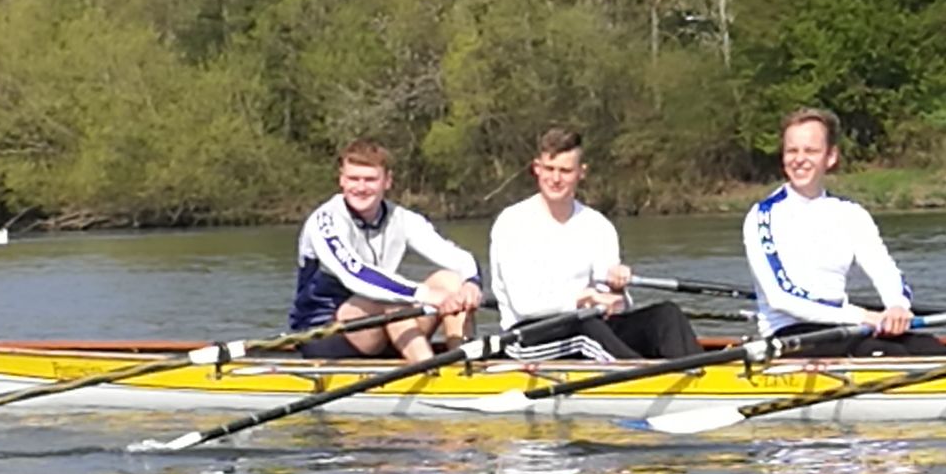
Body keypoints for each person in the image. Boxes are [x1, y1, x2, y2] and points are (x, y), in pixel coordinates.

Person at [744, 108, 946, 358]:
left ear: (830, 157)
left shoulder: (851, 213)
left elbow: (884, 269)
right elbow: (782, 298)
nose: (799, 159)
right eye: (792, 151)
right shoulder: (763, 216)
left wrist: (897, 306)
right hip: (790, 334)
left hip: (843, 326)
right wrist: (862, 316)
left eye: (811, 151)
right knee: (880, 352)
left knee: (930, 347)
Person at [489, 127, 703, 361]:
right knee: (586, 328)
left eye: (565, 171)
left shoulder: (598, 225)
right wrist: (582, 298)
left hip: (588, 327)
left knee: (666, 315)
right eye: (549, 169)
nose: (556, 179)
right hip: (526, 337)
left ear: (581, 172)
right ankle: (647, 383)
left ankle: (703, 380)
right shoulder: (513, 223)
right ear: (536, 168)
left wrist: (618, 289)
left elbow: (615, 305)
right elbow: (525, 306)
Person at [289, 139, 484, 362]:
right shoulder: (325, 221)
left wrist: (471, 283)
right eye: (354, 179)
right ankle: (431, 370)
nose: (361, 188)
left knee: (450, 281)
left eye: (371, 180)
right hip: (324, 332)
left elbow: (457, 257)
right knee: (392, 301)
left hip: (382, 324)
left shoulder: (403, 218)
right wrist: (425, 295)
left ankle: (465, 361)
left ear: (387, 182)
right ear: (341, 180)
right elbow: (356, 275)